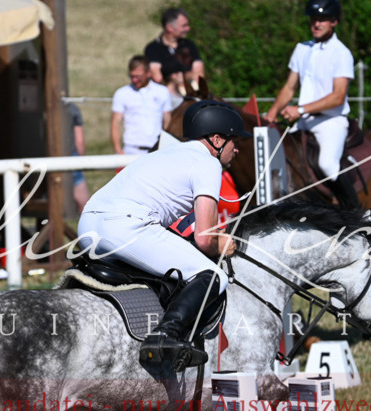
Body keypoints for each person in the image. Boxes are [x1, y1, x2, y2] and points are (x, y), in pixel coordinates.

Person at [77, 100, 247, 372]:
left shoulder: (162, 154)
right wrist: (221, 244)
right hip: (126, 228)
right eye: (233, 141)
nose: (236, 148)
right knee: (214, 276)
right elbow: (205, 239)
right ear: (216, 139)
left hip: (87, 226)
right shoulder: (207, 163)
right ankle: (164, 336)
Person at [263, 0, 359, 209]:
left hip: (331, 121)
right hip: (304, 121)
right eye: (314, 19)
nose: (316, 24)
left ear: (334, 22)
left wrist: (300, 109)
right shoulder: (301, 49)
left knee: (327, 164)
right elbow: (289, 88)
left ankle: (356, 212)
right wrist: (270, 114)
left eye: (322, 19)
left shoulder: (341, 53)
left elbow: (338, 96)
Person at [111, 56, 173, 156]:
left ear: (148, 73)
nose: (134, 80)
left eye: (138, 76)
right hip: (131, 150)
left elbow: (167, 121)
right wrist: (118, 150)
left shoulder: (162, 91)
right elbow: (115, 123)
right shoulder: (122, 93)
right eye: (132, 76)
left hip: (156, 149)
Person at [145, 8, 205, 93]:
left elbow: (199, 75)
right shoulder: (153, 49)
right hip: (167, 96)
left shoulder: (189, 45)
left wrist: (185, 78)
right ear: (169, 27)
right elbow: (157, 78)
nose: (188, 28)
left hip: (192, 93)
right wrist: (173, 81)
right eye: (184, 26)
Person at [67, 101, 90, 214]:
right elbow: (79, 142)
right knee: (84, 205)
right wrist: (82, 163)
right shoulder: (72, 108)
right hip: (72, 158)